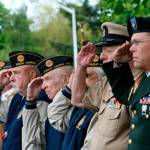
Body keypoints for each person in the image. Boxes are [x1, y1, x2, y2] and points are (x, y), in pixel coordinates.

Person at [71, 22, 141, 150]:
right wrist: (81, 67)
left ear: (126, 50)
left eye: (108, 51)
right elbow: (77, 99)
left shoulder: (140, 82)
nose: (101, 56)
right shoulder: (107, 83)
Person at [101, 16, 150, 150]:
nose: (131, 49)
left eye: (137, 42)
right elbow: (125, 95)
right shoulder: (145, 80)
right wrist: (119, 63)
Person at [48, 53, 104, 150]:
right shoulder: (80, 108)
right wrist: (70, 87)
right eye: (78, 76)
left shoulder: (102, 110)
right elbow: (55, 117)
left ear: (101, 80)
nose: (79, 80)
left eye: (86, 76)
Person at [22, 56, 74, 150]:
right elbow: (33, 144)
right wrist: (30, 102)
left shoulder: (79, 109)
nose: (43, 86)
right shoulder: (50, 107)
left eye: (47, 79)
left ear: (66, 80)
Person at [1, 51, 49, 150]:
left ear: (32, 75)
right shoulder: (18, 97)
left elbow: (36, 142)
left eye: (16, 73)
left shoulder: (41, 100)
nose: (11, 78)